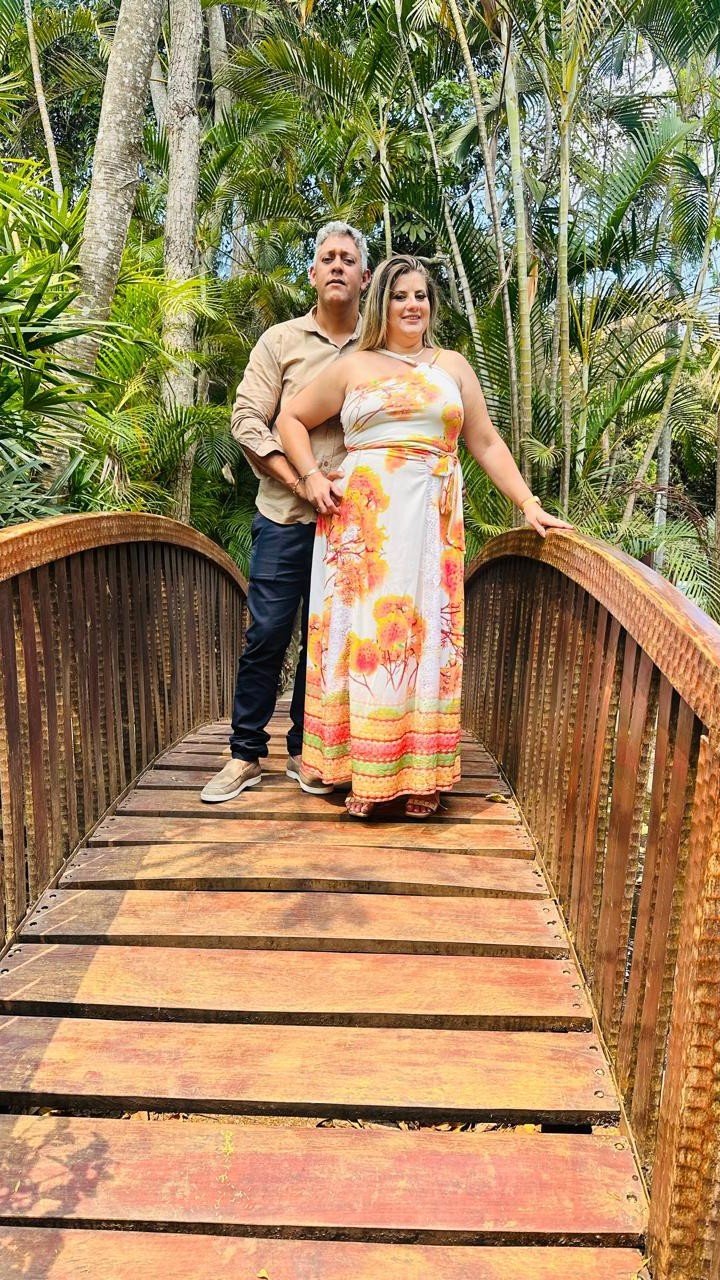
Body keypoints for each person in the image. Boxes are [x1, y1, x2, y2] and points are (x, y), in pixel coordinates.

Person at [276, 254, 572, 817]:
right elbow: (290, 419)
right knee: (366, 635)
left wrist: (529, 504)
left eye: (420, 296)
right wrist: (311, 477)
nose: (412, 306)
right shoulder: (353, 366)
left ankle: (420, 776)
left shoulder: (451, 366)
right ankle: (363, 773)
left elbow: (485, 442)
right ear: (380, 304)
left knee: (425, 635)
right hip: (364, 524)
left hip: (432, 522)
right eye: (399, 295)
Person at [200, 222, 371, 803]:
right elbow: (247, 420)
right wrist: (303, 480)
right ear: (313, 273)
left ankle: (304, 750)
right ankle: (244, 754)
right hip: (283, 515)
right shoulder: (281, 341)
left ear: (365, 277)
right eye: (328, 258)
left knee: (327, 641)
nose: (338, 266)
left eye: (349, 258)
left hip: (352, 525)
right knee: (269, 632)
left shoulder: (379, 348)